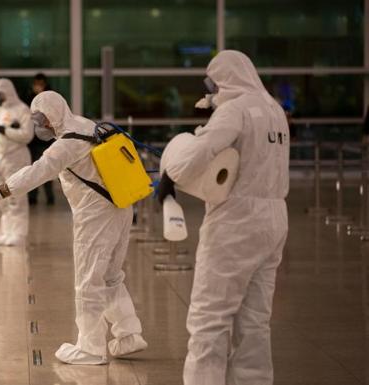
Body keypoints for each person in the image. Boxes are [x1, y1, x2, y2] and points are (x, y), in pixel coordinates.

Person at [0, 91, 147, 365]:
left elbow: (34, 174)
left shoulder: (65, 145)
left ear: (54, 115)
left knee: (88, 281)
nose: (40, 125)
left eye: (42, 119)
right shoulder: (88, 125)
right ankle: (128, 335)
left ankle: (90, 347)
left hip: (96, 215)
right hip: (121, 205)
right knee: (110, 276)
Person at [159, 50, 289, 385]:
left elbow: (199, 156)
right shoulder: (274, 109)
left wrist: (170, 172)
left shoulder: (235, 111)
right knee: (256, 317)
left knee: (210, 315)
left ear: (224, 78)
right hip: (274, 217)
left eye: (212, 82)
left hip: (237, 221)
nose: (211, 88)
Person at [0, 78, 34, 246]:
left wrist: (6, 131)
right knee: (0, 197)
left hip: (15, 158)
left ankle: (18, 233)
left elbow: (27, 135)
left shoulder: (23, 110)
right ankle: (6, 231)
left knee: (16, 196)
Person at [26, 73, 56, 206]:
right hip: (32, 141)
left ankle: (50, 196)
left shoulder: (50, 99)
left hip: (47, 140)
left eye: (40, 84)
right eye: (36, 84)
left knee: (48, 167)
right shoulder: (29, 99)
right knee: (33, 169)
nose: (37, 87)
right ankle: (33, 196)